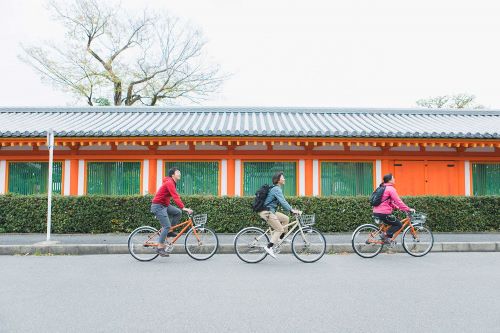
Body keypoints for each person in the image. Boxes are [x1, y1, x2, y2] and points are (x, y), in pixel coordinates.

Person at [151, 167, 193, 257]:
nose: (180, 173)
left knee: (177, 212)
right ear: (173, 175)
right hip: (158, 206)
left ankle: (170, 231)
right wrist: (183, 207)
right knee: (166, 226)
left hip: (164, 205)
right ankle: (160, 248)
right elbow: (175, 196)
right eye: (178, 172)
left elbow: (173, 196)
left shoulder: (172, 182)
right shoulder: (170, 182)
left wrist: (181, 209)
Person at [258, 171, 301, 259]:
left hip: (271, 211)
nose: (284, 179)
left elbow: (281, 202)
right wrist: (291, 210)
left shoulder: (276, 188)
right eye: (282, 177)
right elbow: (283, 201)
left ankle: (281, 239)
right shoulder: (276, 189)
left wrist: (290, 210)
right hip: (267, 212)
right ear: (278, 180)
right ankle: (269, 247)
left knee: (285, 219)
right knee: (280, 229)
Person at [373, 173, 414, 243]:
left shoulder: (382, 187)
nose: (394, 179)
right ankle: (385, 235)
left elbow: (389, 202)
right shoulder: (390, 189)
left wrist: (398, 208)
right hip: (383, 213)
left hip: (376, 211)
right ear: (390, 180)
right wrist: (408, 209)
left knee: (392, 223)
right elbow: (398, 201)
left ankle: (386, 238)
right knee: (399, 224)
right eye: (393, 178)